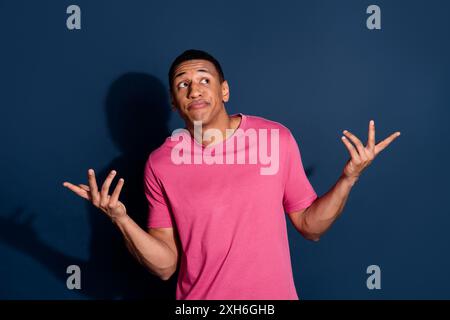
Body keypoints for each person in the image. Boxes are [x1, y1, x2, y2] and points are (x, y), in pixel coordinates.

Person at [63, 49, 400, 299]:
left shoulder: (274, 139)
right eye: (183, 84)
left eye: (204, 80)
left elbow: (310, 227)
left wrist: (348, 178)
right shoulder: (160, 164)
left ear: (224, 90)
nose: (194, 90)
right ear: (173, 101)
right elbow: (166, 265)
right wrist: (121, 219)